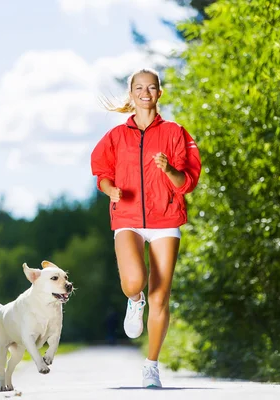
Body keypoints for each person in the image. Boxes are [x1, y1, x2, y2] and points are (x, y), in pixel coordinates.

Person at [90, 67, 202, 388]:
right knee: (134, 282)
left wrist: (168, 170)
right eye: (139, 87)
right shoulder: (116, 136)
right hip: (126, 217)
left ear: (159, 93)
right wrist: (110, 189)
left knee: (161, 296)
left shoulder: (175, 133)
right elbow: (102, 172)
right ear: (131, 93)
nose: (145, 93)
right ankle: (133, 300)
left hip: (165, 218)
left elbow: (187, 183)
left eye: (151, 87)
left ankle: (151, 365)